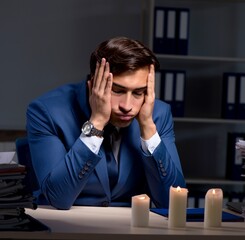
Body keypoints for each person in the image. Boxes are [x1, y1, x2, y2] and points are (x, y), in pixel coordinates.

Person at [26, 36, 186, 210]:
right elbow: (57, 197)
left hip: (129, 229)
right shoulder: (47, 111)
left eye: (138, 93)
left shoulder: (158, 115)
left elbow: (173, 204)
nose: (127, 106)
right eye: (117, 91)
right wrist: (97, 122)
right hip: (65, 225)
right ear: (94, 83)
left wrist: (147, 126)